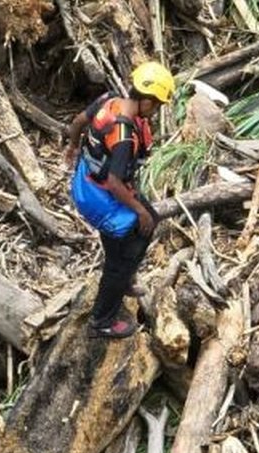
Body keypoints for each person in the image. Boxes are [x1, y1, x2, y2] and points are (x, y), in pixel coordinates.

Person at [65, 61, 175, 339]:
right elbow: (115, 183)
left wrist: (72, 146)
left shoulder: (109, 101)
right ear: (147, 102)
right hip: (100, 196)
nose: (156, 112)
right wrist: (139, 210)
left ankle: (124, 277)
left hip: (87, 179)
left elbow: (79, 121)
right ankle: (101, 321)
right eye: (158, 106)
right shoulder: (124, 136)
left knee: (149, 220)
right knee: (124, 252)